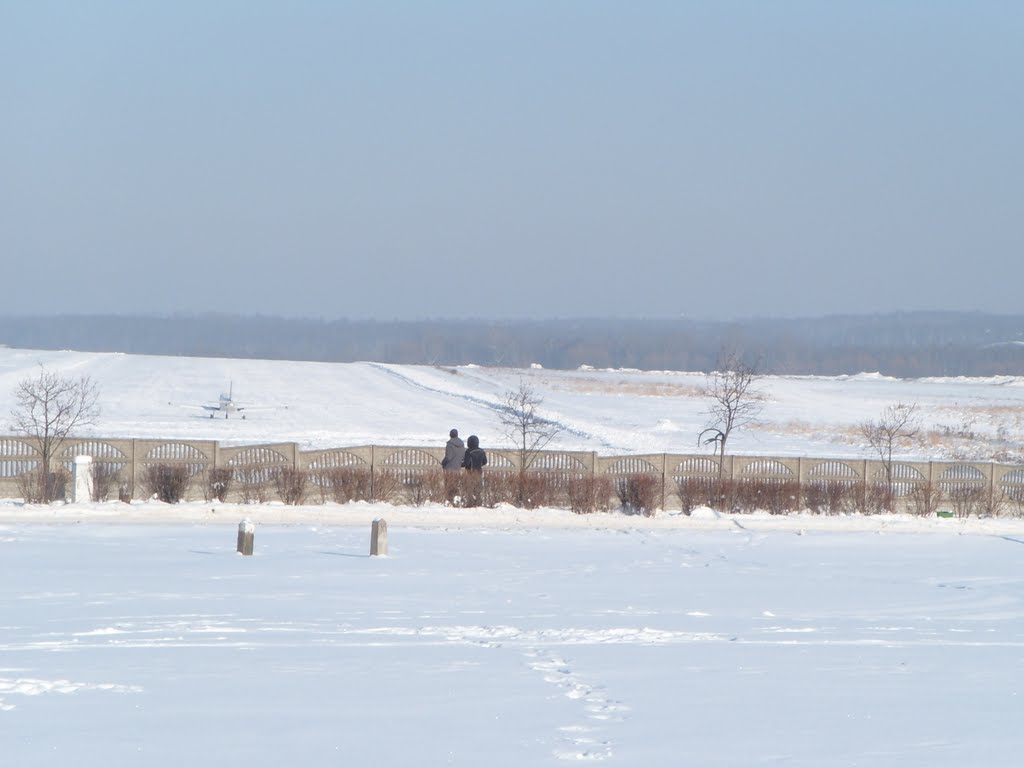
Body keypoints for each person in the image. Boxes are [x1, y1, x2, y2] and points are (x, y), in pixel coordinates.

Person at [461, 434, 487, 507]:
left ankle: (470, 503)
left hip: (470, 472)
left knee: (469, 489)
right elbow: (485, 461)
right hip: (479, 471)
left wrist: (460, 465)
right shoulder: (482, 451)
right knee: (478, 488)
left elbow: (467, 463)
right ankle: (478, 502)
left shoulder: (468, 451)